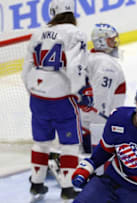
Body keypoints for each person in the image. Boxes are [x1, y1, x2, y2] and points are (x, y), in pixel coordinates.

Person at [21, 0, 91, 201]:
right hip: (61, 98)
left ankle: (36, 183)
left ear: (53, 12)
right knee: (69, 145)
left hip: (37, 95)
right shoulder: (74, 33)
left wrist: (34, 92)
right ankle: (68, 187)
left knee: (41, 142)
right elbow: (75, 66)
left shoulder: (37, 33)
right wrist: (81, 91)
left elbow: (25, 70)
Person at [79, 23, 126, 156]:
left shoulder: (87, 57)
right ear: (101, 41)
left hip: (83, 125)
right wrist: (99, 143)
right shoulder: (107, 66)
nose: (114, 43)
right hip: (94, 129)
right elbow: (101, 102)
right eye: (110, 40)